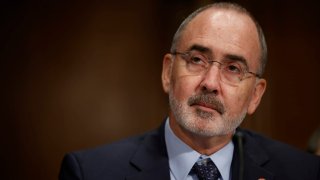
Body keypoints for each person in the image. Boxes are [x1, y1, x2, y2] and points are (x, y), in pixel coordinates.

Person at [59, 2, 320, 180]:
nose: (210, 82)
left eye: (233, 68)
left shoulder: (305, 173)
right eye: (197, 59)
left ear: (255, 95)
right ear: (167, 72)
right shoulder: (91, 173)